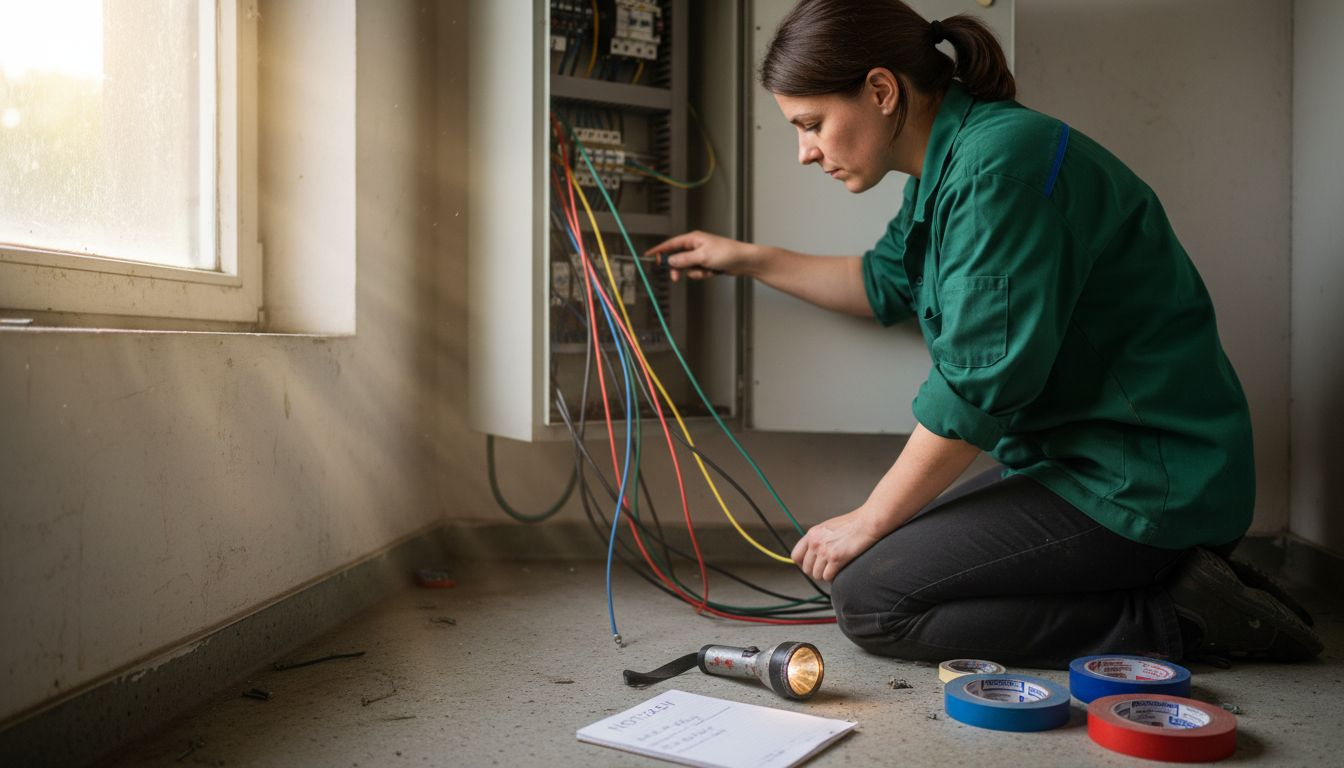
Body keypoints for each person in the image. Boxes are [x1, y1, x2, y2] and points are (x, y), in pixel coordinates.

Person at [647, 0, 1321, 668]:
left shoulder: (999, 167)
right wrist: (744, 257)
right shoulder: (947, 165)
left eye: (812, 123)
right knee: (870, 569)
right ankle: (1168, 586)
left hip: (1147, 485)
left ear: (881, 90)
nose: (805, 152)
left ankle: (1182, 616)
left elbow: (976, 386)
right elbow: (880, 284)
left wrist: (869, 515)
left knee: (872, 602)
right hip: (1077, 465)